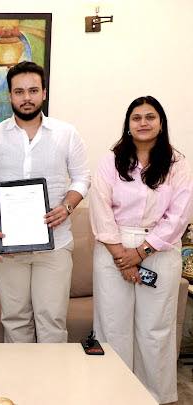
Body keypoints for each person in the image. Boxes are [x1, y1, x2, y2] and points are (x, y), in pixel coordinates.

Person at [0, 61, 90, 343]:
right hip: (8, 246)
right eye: (19, 92)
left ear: (44, 93)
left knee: (52, 321)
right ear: (10, 96)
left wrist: (66, 207)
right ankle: (19, 375)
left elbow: (82, 179)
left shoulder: (66, 134)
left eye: (33, 91)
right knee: (15, 321)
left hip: (55, 244)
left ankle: (51, 375)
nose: (26, 98)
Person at [90, 96, 193, 404]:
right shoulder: (110, 161)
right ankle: (113, 396)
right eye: (137, 117)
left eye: (150, 117)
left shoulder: (177, 164)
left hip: (160, 250)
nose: (143, 122)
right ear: (128, 124)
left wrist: (140, 253)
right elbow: (100, 207)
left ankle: (154, 398)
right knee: (112, 327)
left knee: (155, 329)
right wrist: (122, 256)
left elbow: (179, 215)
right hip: (113, 249)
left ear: (161, 124)